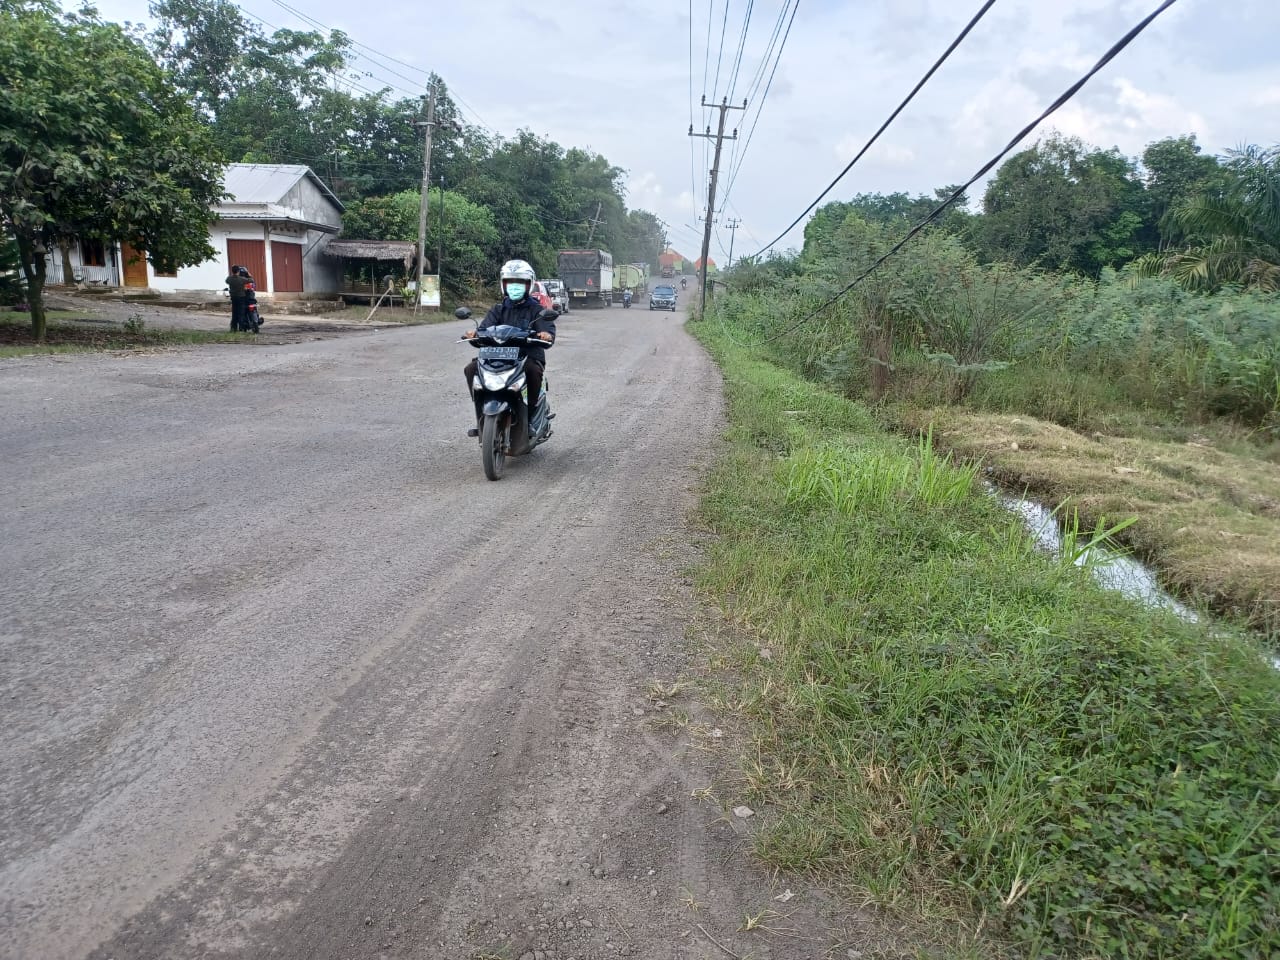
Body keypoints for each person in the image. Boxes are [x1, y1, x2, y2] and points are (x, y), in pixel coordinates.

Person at [463, 259, 556, 429]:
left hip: (527, 356)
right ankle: (481, 412)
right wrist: (475, 334)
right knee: (471, 369)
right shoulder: (498, 310)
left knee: (533, 371)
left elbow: (548, 331)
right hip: (496, 357)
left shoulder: (536, 310)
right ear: (503, 284)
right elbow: (483, 330)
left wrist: (546, 335)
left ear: (529, 285)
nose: (515, 286)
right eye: (510, 282)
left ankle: (531, 415)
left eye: (520, 282)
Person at [226, 265, 248, 331]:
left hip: (233, 298)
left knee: (234, 313)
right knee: (241, 313)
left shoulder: (229, 279)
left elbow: (227, 281)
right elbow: (251, 280)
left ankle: (233, 328)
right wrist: (247, 273)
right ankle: (241, 328)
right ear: (238, 271)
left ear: (232, 271)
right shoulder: (241, 279)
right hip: (241, 298)